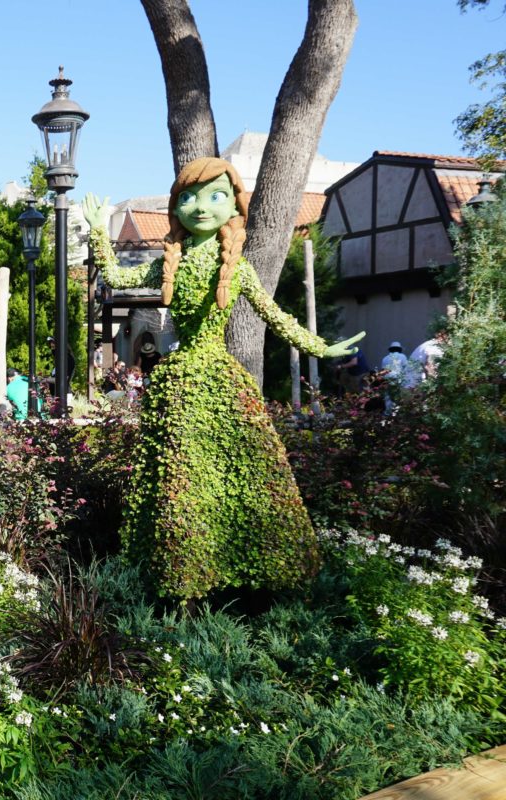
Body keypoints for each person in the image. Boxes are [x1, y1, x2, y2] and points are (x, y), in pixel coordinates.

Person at [83, 158, 363, 600]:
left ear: (233, 205)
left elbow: (274, 315)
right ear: (176, 207)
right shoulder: (169, 263)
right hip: (177, 385)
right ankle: (179, 571)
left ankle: (253, 571)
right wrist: (100, 231)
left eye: (215, 196)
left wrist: (319, 346)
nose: (200, 207)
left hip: (219, 380)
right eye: (189, 197)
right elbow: (118, 277)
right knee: (178, 478)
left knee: (243, 470)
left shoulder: (237, 268)